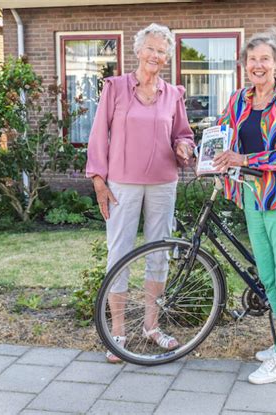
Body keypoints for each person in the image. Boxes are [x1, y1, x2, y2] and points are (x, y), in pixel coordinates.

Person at [86, 23, 194, 363]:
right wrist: (98, 178)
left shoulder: (173, 94)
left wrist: (184, 147)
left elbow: (184, 133)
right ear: (137, 50)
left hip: (163, 181)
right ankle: (117, 332)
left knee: (159, 252)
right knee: (119, 252)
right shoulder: (116, 88)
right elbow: (97, 134)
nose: (155, 56)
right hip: (122, 183)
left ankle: (151, 325)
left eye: (162, 51)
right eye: (150, 48)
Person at [213, 27, 276, 384]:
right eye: (252, 60)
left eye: (264, 59)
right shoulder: (239, 99)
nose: (258, 65)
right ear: (245, 65)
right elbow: (221, 134)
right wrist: (207, 155)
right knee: (267, 276)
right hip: (252, 195)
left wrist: (243, 158)